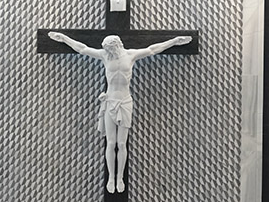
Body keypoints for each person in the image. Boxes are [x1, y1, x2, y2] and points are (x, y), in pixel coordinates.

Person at [48, 31, 192, 193]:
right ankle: (111, 177)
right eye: (106, 49)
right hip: (110, 102)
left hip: (125, 102)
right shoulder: (105, 55)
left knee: (122, 143)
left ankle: (120, 177)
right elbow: (82, 49)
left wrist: (173, 41)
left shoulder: (130, 55)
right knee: (111, 142)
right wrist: (65, 39)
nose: (108, 51)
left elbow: (153, 49)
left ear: (116, 46)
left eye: (110, 48)